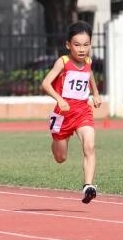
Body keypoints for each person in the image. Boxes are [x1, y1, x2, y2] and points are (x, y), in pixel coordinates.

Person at [40, 21, 102, 205]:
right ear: (68, 45)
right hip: (63, 113)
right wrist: (59, 99)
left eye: (86, 45)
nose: (82, 49)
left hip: (83, 111)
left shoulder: (88, 61)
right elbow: (45, 84)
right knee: (61, 158)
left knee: (89, 146)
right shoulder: (63, 62)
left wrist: (96, 93)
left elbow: (89, 76)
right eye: (77, 45)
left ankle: (88, 186)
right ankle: (56, 141)